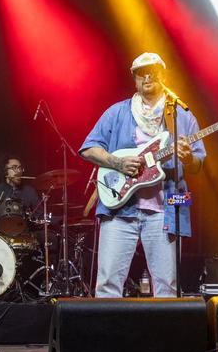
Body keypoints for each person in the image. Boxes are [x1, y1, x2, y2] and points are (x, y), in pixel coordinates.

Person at [80, 52, 205, 297]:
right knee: (107, 286)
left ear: (164, 76)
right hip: (119, 209)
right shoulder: (117, 112)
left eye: (153, 71)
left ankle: (161, 335)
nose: (147, 76)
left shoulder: (182, 115)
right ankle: (106, 335)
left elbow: (198, 164)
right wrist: (117, 162)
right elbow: (88, 148)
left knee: (166, 287)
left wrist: (188, 157)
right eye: (140, 72)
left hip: (164, 212)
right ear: (135, 79)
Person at [0, 154, 38, 221]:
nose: (18, 171)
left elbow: (40, 215)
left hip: (25, 229)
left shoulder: (30, 191)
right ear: (5, 171)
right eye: (14, 167)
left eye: (20, 168)